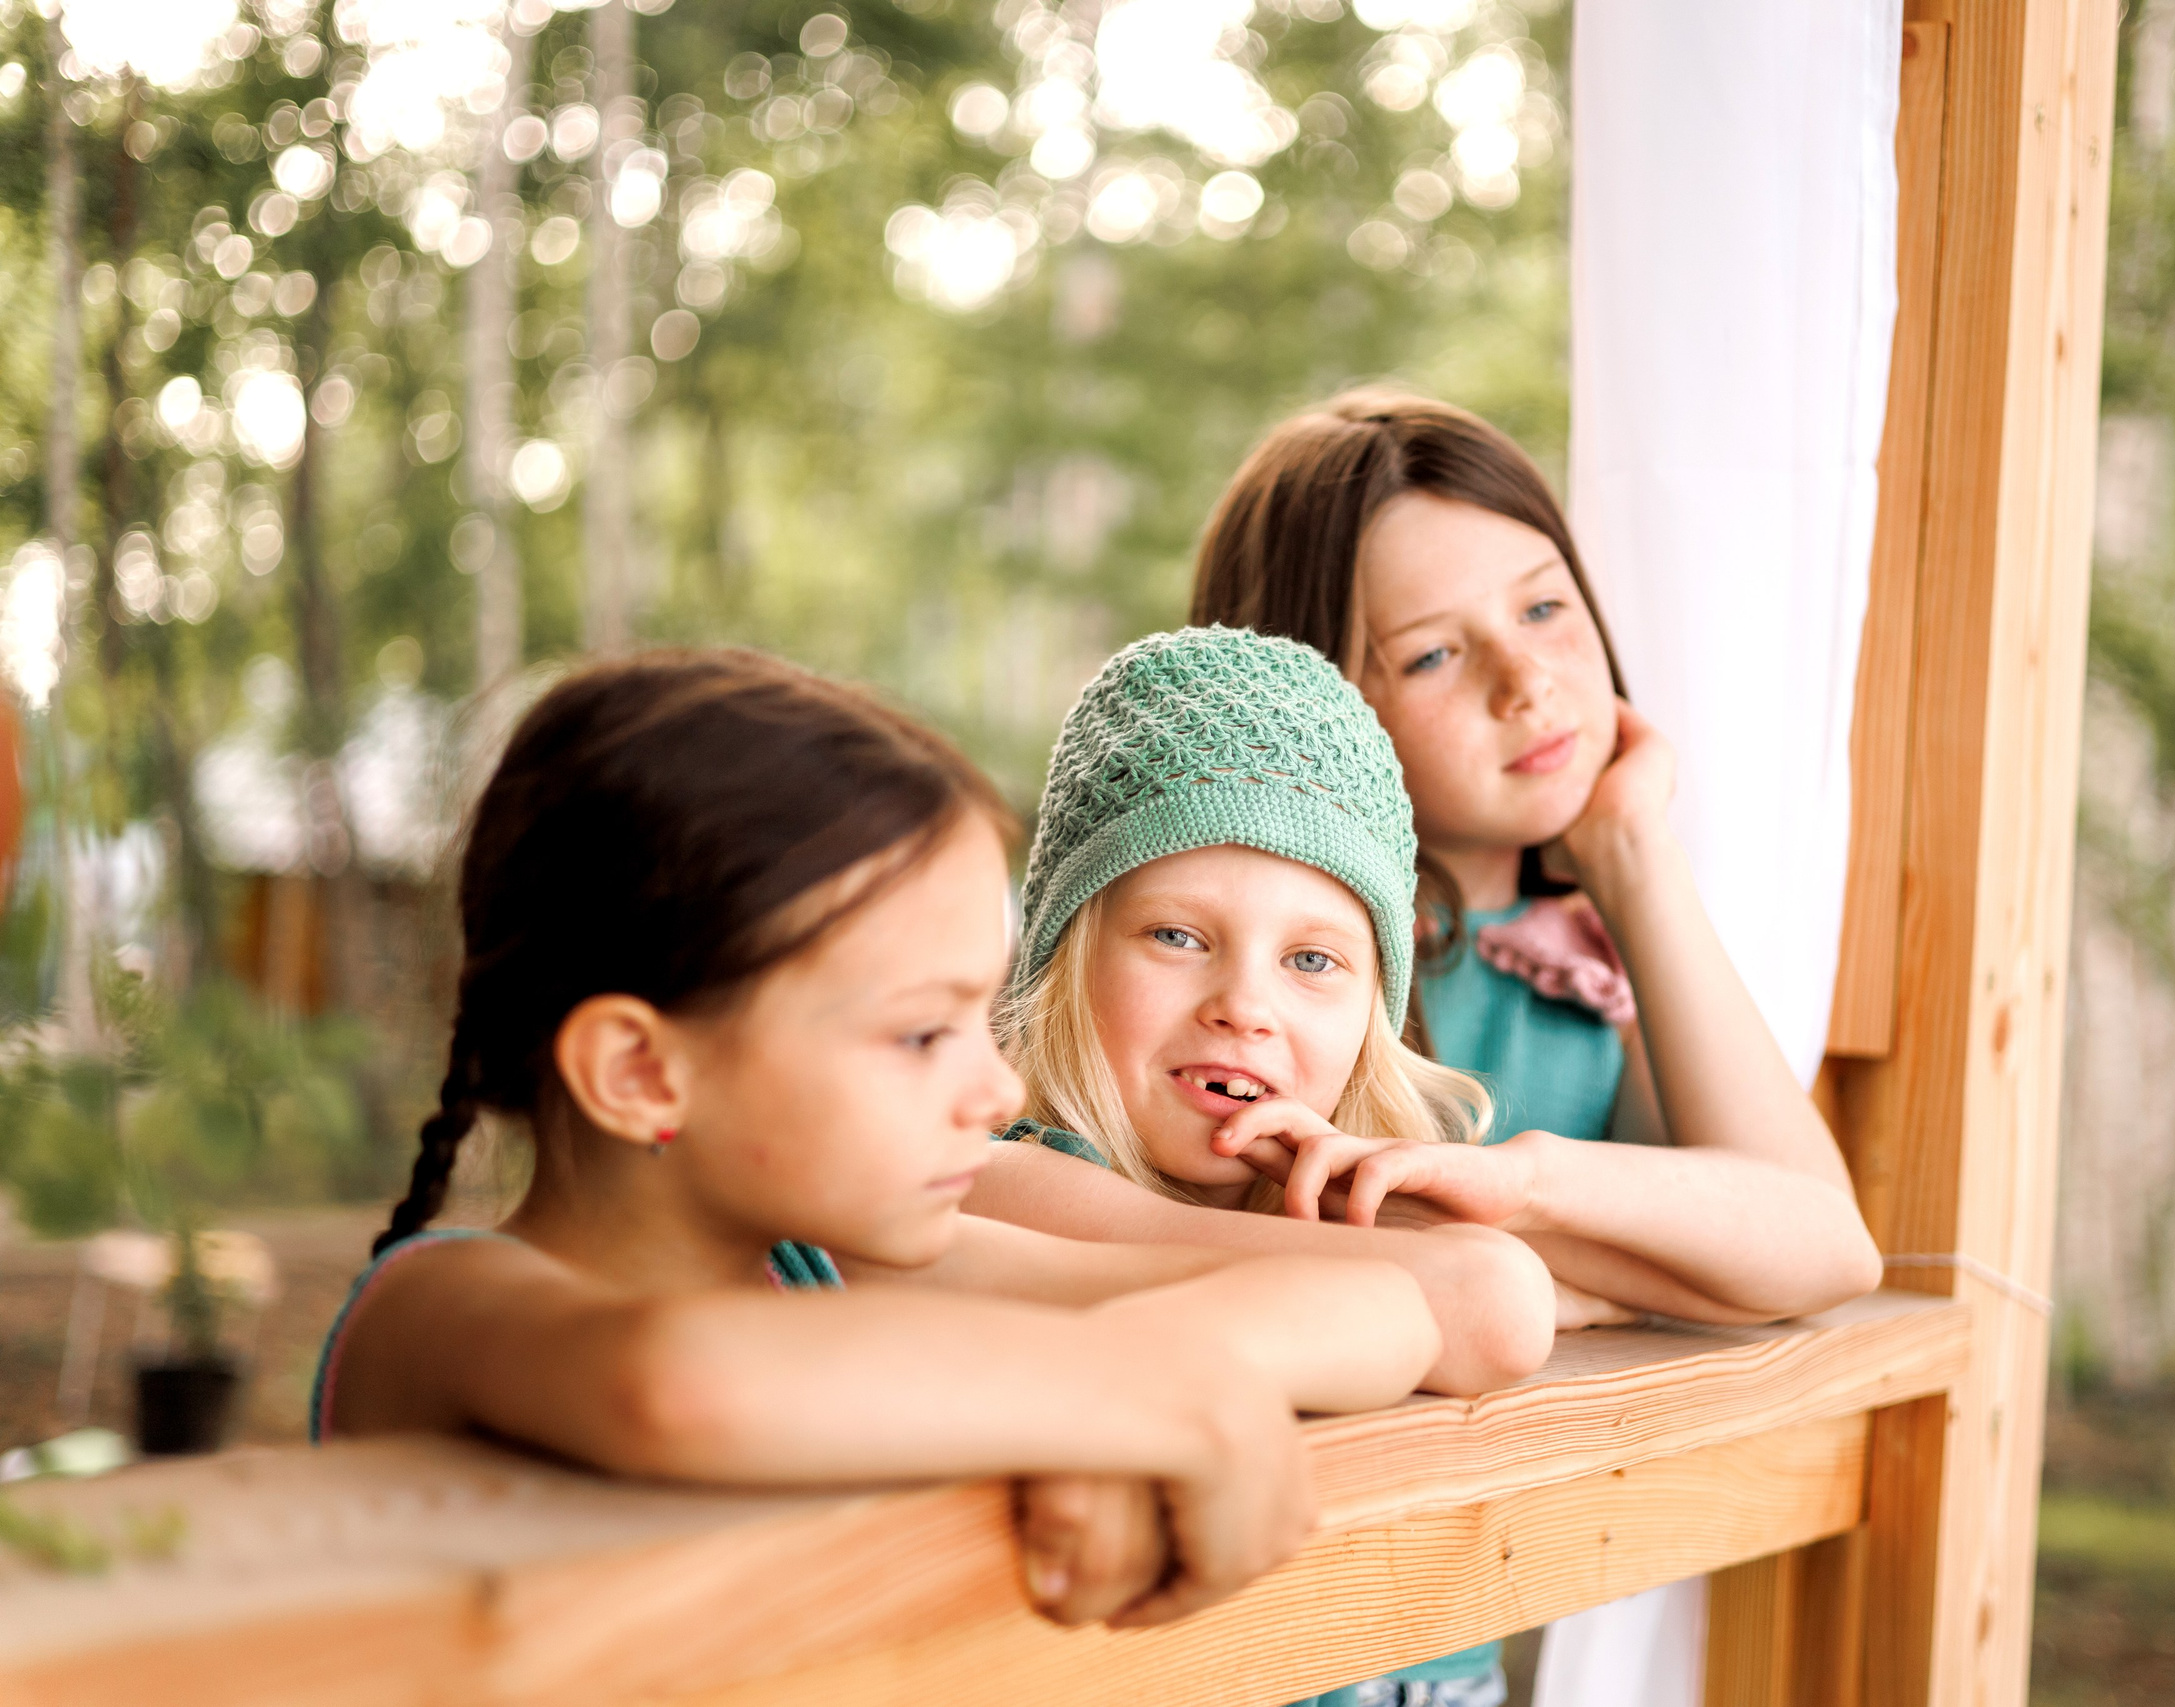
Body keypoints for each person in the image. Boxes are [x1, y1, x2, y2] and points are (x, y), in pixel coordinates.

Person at [313, 649, 1449, 1631]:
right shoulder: (433, 1317)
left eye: (978, 1015)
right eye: (920, 1033)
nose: (996, 1086)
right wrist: (1146, 1394)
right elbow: (678, 1382)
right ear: (642, 1073)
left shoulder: (833, 1273)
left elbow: (1388, 1310)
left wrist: (1163, 1383)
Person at [1186, 391, 1887, 1706]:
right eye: (1436, 655)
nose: (1529, 680)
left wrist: (1632, 857)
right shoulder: (1276, 975)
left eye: (1545, 606)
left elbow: (1822, 1243)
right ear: (1321, 700)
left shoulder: (1574, 961)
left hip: (1446, 1667)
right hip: (1262, 1657)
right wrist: (1653, 1264)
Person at [964, 625, 1565, 1402]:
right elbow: (1494, 1302)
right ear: (1064, 957)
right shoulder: (995, 1176)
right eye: (1177, 936)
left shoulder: (1308, 1220)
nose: (1243, 1008)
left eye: (1311, 960)